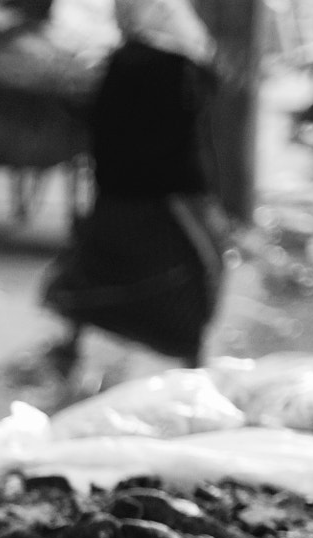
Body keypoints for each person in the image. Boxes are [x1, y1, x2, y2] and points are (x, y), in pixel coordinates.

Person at [40, 0, 230, 370]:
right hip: (170, 193)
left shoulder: (134, 63)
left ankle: (72, 346)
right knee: (190, 272)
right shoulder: (183, 63)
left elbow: (105, 123)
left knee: (100, 269)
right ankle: (190, 357)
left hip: (129, 192)